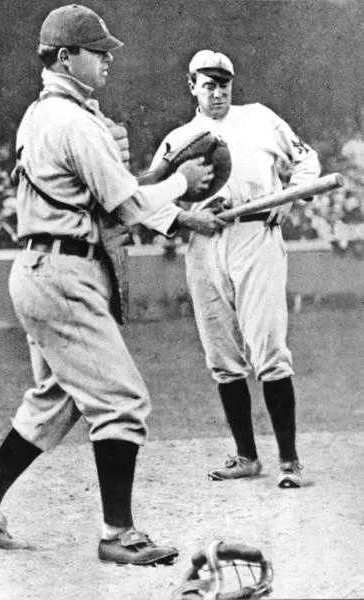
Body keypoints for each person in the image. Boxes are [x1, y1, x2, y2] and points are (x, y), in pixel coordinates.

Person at [0, 6, 224, 565]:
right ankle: (118, 533)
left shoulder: (43, 115)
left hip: (45, 267)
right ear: (64, 57)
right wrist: (182, 183)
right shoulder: (74, 122)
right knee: (123, 400)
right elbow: (124, 205)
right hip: (64, 271)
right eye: (97, 52)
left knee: (60, 397)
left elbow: (105, 201)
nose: (106, 60)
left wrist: (176, 210)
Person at [150, 50, 321, 488]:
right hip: (205, 241)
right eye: (208, 83)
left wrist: (289, 197)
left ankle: (289, 462)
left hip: (256, 235)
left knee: (269, 348)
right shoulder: (178, 139)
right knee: (222, 356)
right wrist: (184, 216)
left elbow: (306, 161)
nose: (218, 90)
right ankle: (246, 456)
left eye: (224, 82)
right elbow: (150, 199)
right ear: (192, 86)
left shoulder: (260, 118)